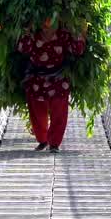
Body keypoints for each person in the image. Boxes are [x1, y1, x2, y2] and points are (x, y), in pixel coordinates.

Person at [16, 18, 87, 152]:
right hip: (36, 79)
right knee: (37, 113)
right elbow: (22, 48)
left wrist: (79, 32)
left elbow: (77, 50)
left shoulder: (63, 34)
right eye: (43, 19)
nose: (46, 23)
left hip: (58, 78)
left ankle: (54, 143)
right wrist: (27, 30)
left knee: (59, 111)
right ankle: (43, 140)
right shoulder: (34, 34)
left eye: (50, 19)